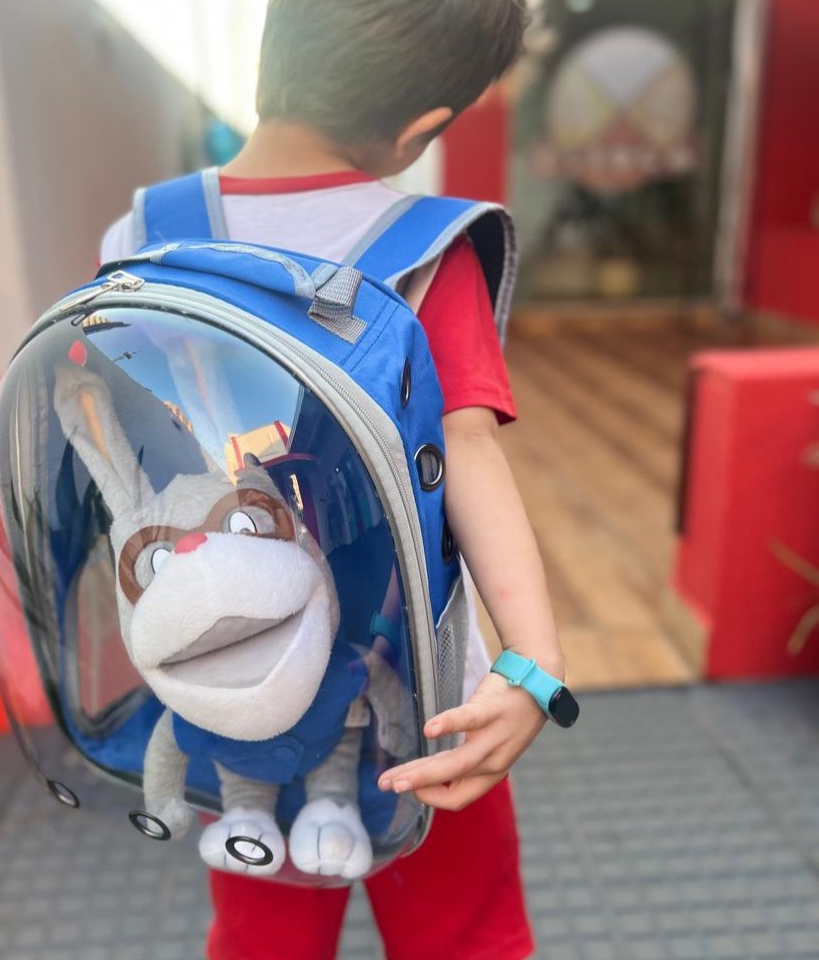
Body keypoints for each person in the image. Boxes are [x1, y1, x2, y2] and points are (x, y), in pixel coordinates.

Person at [100, 2, 565, 957]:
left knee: (263, 928)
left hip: (237, 663)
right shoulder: (430, 250)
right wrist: (531, 662)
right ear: (423, 127)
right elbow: (469, 451)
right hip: (423, 684)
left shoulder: (140, 236)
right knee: (464, 935)